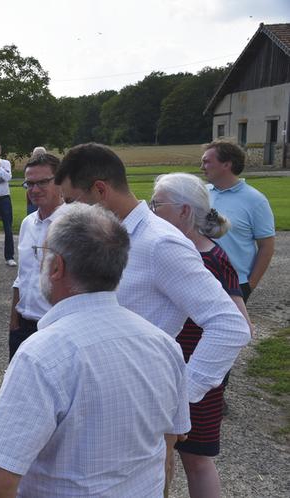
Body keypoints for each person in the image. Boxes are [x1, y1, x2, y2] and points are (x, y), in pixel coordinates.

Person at [54, 143, 251, 494]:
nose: (65, 211)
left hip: (139, 406)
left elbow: (230, 324)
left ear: (100, 190)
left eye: (71, 201)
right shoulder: (111, 238)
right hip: (98, 397)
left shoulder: (161, 243)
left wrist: (181, 397)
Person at [0, 203, 190, 497]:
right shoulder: (165, 345)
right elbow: (167, 448)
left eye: (42, 254)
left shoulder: (41, 356)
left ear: (56, 267)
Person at [151, 173, 253, 498]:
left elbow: (241, 324)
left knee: (196, 460)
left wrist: (194, 381)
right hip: (176, 373)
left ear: (184, 211)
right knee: (168, 458)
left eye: (157, 204)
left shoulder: (209, 258)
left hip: (195, 375)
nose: (152, 211)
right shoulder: (180, 250)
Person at [202, 140, 275, 303]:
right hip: (200, 279)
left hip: (234, 284)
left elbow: (267, 246)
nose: (202, 167)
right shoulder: (201, 193)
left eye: (207, 162)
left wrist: (249, 285)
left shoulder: (255, 200)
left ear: (226, 164)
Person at [9, 153, 66, 360]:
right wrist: (14, 320)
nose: (34, 189)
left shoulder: (74, 224)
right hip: (23, 326)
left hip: (56, 326)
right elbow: (22, 276)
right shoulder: (27, 224)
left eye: (42, 182)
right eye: (29, 184)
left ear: (60, 182)